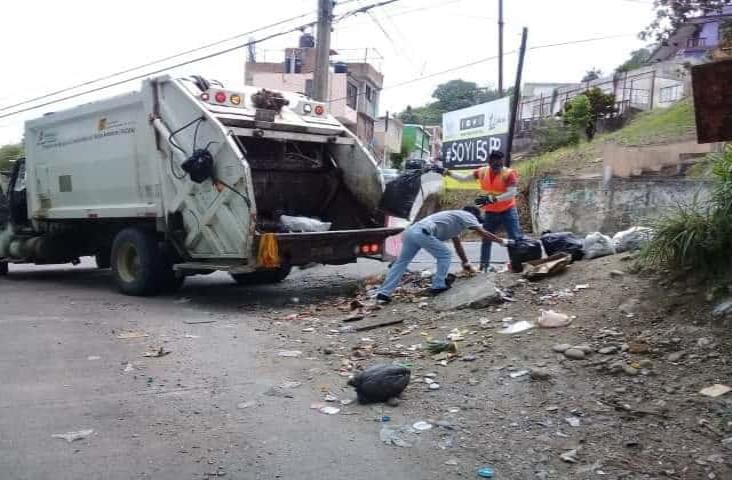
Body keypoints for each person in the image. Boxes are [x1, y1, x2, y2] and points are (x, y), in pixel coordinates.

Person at [375, 206, 508, 303]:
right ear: (473, 215)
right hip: (423, 232)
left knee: (401, 263)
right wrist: (501, 241)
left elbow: (458, 244)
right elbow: (483, 232)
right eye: (475, 221)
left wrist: (465, 263)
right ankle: (438, 285)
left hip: (411, 232)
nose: (472, 226)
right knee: (445, 255)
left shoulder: (454, 219)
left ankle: (384, 293)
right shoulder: (467, 215)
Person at [444, 150, 522, 270]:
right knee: (486, 238)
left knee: (514, 238)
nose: (497, 168)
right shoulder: (481, 171)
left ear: (502, 162)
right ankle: (484, 267)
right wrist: (447, 172)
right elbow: (463, 179)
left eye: (500, 165)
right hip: (491, 212)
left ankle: (517, 265)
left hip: (508, 210)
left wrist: (493, 199)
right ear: (490, 162)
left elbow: (512, 193)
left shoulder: (509, 173)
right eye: (495, 164)